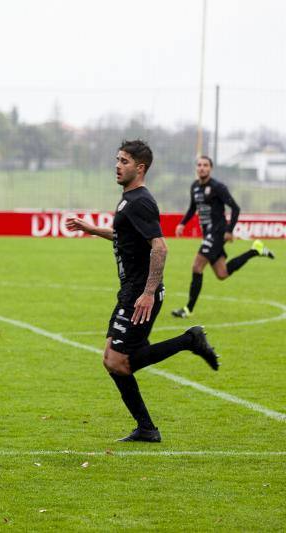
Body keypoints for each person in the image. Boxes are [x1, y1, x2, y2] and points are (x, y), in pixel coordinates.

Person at [66, 140, 220, 443]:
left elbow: (160, 247)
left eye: (124, 161)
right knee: (111, 358)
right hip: (129, 291)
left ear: (140, 168)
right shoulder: (128, 200)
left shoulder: (140, 201)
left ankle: (190, 339)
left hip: (139, 293)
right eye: (117, 159)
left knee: (118, 361)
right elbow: (124, 236)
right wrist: (92, 229)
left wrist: (148, 292)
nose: (117, 165)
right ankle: (146, 428)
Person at [171, 156, 275, 318]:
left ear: (210, 168)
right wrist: (182, 223)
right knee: (222, 273)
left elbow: (235, 208)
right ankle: (255, 250)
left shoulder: (218, 187)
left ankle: (187, 309)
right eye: (199, 165)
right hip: (208, 234)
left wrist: (229, 230)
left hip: (217, 232)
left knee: (197, 266)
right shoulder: (195, 187)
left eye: (205, 165)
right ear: (196, 168)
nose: (202, 168)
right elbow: (193, 207)